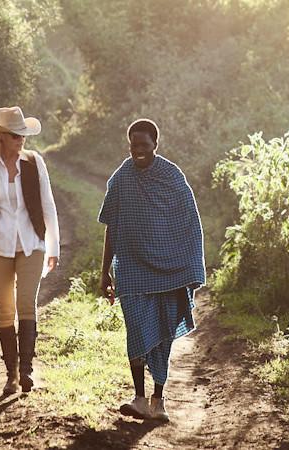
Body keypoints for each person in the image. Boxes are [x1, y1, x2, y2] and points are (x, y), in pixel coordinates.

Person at [98, 118, 206, 422]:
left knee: (163, 333)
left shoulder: (172, 176)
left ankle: (158, 401)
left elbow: (191, 225)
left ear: (155, 145)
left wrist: (192, 268)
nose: (138, 151)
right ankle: (139, 398)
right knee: (135, 329)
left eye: (144, 145)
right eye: (134, 146)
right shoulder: (121, 178)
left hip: (169, 270)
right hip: (131, 267)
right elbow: (111, 226)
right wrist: (104, 270)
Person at [0, 106, 60, 394]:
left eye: (23, 135)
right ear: (1, 137)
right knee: (5, 310)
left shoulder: (35, 163)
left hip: (31, 244)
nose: (21, 140)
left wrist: (53, 246)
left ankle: (26, 371)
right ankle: (11, 375)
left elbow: (48, 205)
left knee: (26, 304)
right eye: (16, 135)